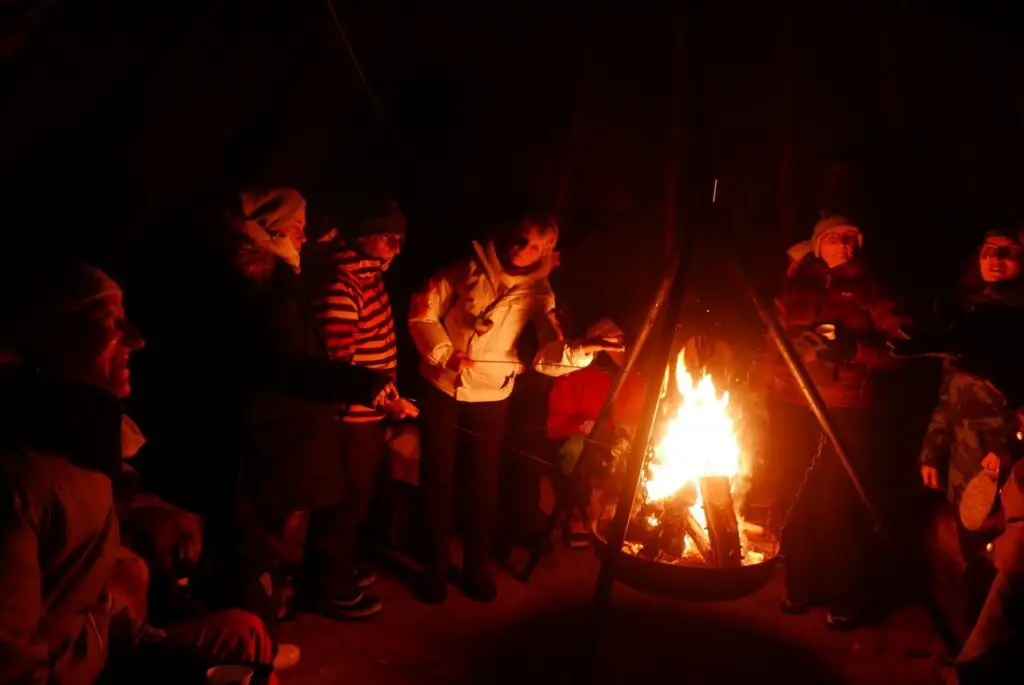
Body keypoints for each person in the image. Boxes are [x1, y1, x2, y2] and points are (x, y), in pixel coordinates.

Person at [0, 262, 277, 684]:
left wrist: (152, 646)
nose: (136, 338)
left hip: (100, 652)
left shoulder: (84, 448)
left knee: (243, 633)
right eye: (110, 322)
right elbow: (12, 662)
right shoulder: (22, 477)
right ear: (52, 337)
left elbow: (85, 599)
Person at [148, 188, 406, 625]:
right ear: (270, 231)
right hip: (265, 434)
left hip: (263, 429)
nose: (305, 238)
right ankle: (248, 641)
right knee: (251, 546)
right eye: (298, 229)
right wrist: (363, 384)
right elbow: (289, 363)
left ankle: (248, 632)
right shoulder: (266, 286)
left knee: (252, 541)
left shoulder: (259, 278)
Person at [408, 212, 622, 603]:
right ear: (510, 235)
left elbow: (546, 356)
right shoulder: (466, 268)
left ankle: (474, 568)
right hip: (440, 385)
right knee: (437, 478)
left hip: (491, 395)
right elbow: (423, 309)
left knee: (482, 484)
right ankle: (435, 567)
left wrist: (583, 350)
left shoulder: (540, 294)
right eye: (521, 239)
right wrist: (443, 352)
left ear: (546, 253)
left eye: (535, 246)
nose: (522, 250)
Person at [766, 215, 905, 630]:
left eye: (850, 239)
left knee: (834, 505)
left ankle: (843, 597)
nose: (844, 246)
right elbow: (770, 341)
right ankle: (801, 587)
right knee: (794, 498)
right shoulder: (796, 285)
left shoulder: (870, 288)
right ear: (817, 244)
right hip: (794, 406)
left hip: (845, 408)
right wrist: (780, 367)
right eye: (834, 239)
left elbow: (900, 348)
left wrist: (852, 350)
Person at [306, 198, 417, 620]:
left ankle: (337, 566)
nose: (396, 247)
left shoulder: (367, 274)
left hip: (367, 412)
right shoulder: (341, 283)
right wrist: (386, 402)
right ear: (362, 233)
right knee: (344, 499)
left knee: (359, 495)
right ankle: (325, 585)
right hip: (348, 417)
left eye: (400, 239)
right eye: (389, 237)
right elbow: (339, 365)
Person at [907, 229, 1024, 625]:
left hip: (1011, 462)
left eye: (1009, 253)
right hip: (966, 459)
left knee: (1008, 565)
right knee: (974, 560)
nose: (996, 260)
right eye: (989, 252)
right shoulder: (964, 314)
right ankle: (974, 653)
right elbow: (947, 393)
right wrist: (933, 449)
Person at [546, 318, 645, 547]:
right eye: (606, 343)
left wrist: (624, 361)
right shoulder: (576, 372)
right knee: (574, 450)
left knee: (636, 448)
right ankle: (578, 511)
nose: (612, 348)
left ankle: (629, 513)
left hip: (614, 437)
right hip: (581, 436)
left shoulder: (629, 373)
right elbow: (558, 417)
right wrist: (580, 425)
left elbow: (640, 408)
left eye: (616, 342)